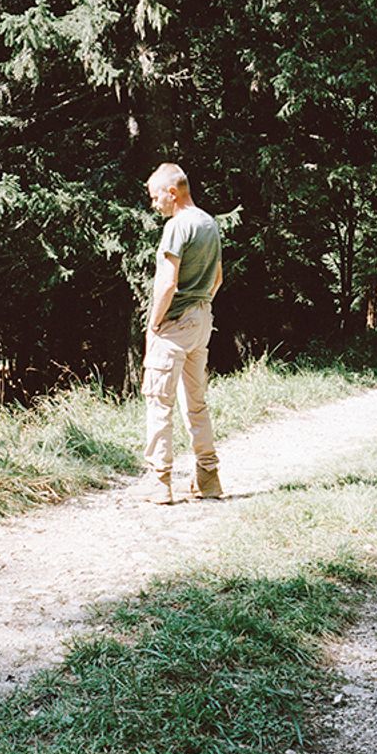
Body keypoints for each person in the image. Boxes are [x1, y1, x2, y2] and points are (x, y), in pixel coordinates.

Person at [137, 162, 224, 505]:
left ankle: (160, 482)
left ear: (172, 193)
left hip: (173, 325)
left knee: (159, 402)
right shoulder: (209, 223)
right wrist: (199, 306)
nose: (154, 204)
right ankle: (208, 478)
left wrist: (154, 324)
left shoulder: (177, 226)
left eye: (156, 197)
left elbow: (167, 283)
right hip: (202, 319)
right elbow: (218, 278)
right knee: (196, 402)